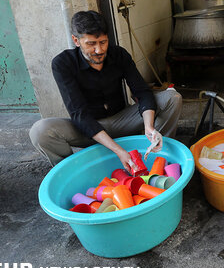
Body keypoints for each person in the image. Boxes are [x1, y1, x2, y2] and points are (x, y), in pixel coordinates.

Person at [29, 10, 182, 170]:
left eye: (103, 42)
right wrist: (119, 151)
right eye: (91, 44)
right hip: (88, 128)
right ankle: (75, 171)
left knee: (172, 98)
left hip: (122, 121)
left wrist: (149, 126)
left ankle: (158, 155)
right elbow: (79, 114)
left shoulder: (119, 55)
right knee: (41, 131)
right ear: (76, 40)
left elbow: (142, 92)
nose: (99, 50)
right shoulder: (63, 63)